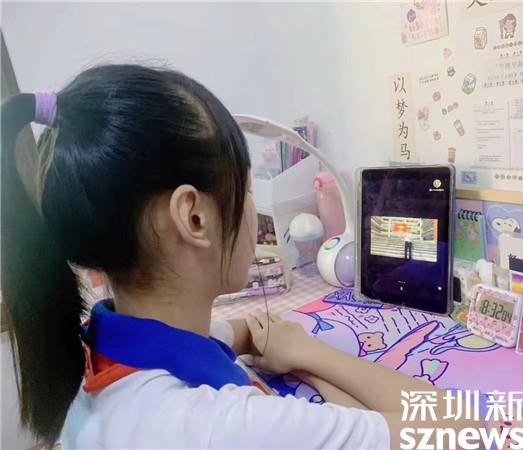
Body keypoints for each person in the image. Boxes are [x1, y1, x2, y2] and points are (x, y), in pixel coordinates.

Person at [2, 64, 480, 449]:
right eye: (247, 189)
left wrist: (298, 361)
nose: (252, 210)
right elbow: (465, 431)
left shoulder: (103, 343)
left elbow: (246, 330)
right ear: (194, 218)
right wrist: (311, 354)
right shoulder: (216, 426)